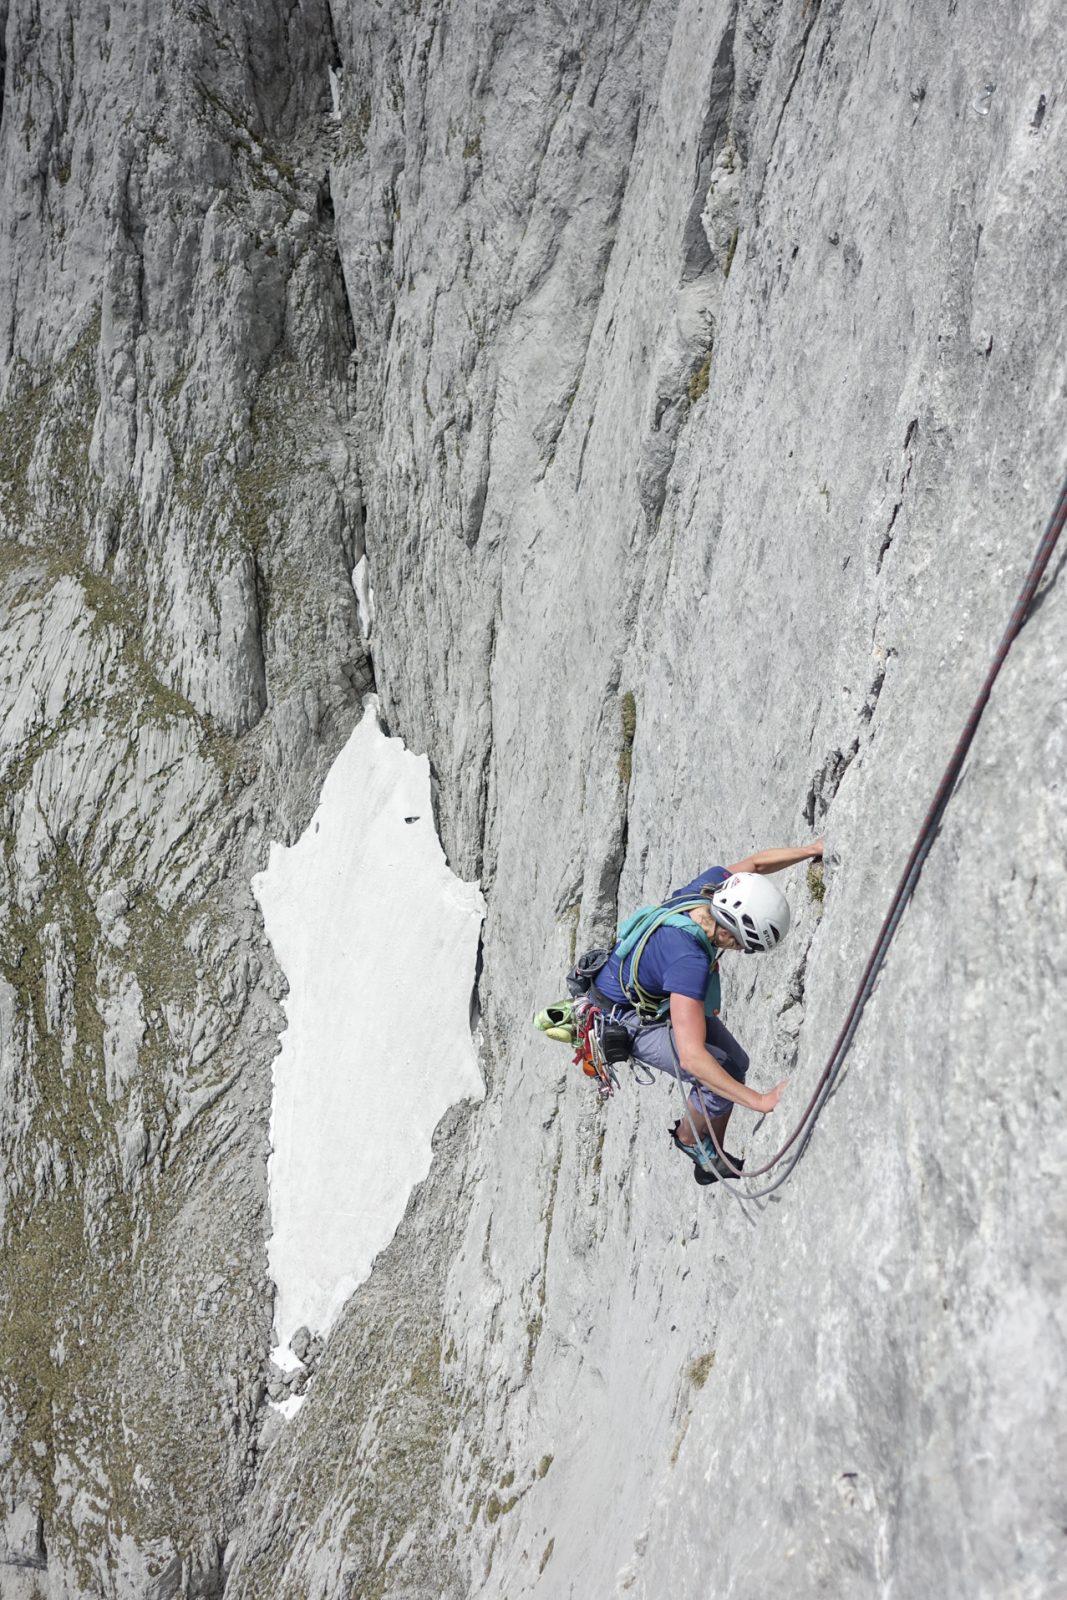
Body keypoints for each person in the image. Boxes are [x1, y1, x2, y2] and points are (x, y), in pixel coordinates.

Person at [591, 841, 824, 1184]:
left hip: (646, 992)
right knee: (716, 1075)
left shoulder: (709, 890)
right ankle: (693, 1143)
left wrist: (810, 850)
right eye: (747, 944)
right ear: (730, 929)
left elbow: (757, 865)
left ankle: (706, 1149)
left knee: (736, 1064)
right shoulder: (689, 961)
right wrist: (761, 1101)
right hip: (623, 1017)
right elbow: (692, 1058)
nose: (745, 952)